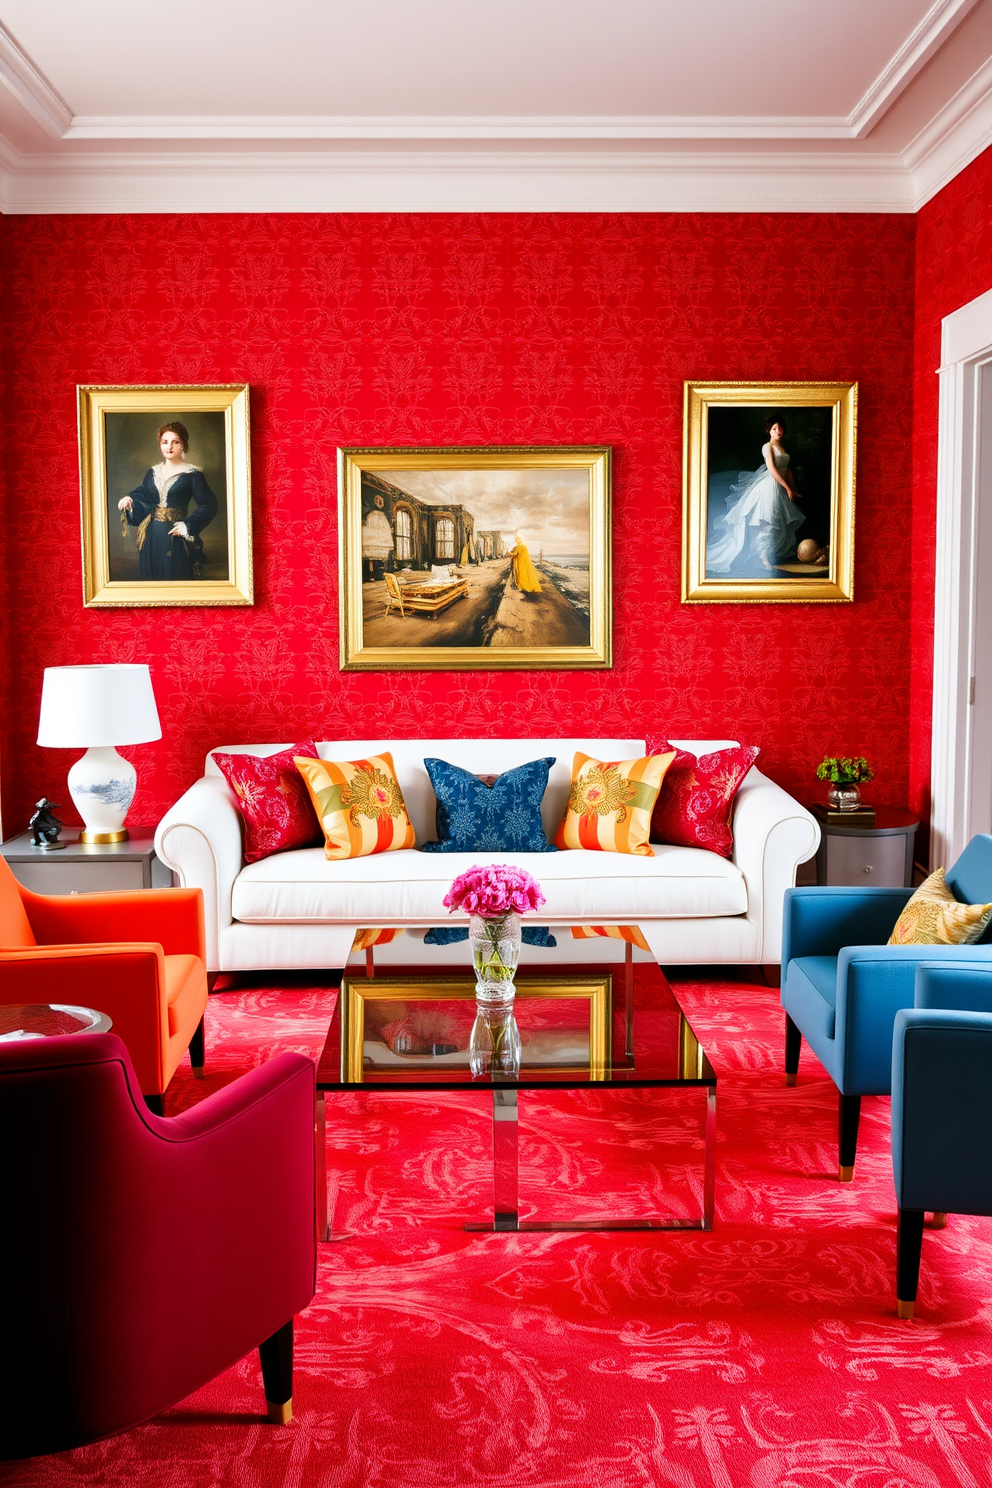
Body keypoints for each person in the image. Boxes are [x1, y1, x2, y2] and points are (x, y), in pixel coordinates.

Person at [118, 421, 218, 580]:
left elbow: (209, 505)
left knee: (175, 577)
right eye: (165, 442)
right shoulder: (152, 472)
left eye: (175, 442)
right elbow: (143, 495)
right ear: (160, 445)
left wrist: (187, 526)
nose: (169, 446)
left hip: (175, 534)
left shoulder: (193, 474)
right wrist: (130, 501)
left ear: (183, 445)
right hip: (151, 535)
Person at [707, 418, 805, 576]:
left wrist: (791, 488)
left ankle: (768, 553)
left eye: (780, 428)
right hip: (770, 486)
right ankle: (762, 556)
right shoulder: (767, 447)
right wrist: (787, 487)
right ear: (769, 431)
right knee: (767, 520)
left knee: (778, 520)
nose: (778, 431)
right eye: (774, 428)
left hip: (780, 486)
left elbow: (787, 470)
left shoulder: (782, 447)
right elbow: (772, 469)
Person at [510, 531, 542, 597]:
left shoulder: (519, 547)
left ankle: (523, 586)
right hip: (525, 562)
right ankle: (527, 586)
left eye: (517, 539)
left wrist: (509, 553)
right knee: (526, 574)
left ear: (520, 539)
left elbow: (515, 554)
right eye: (515, 539)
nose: (515, 540)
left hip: (520, 563)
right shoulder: (524, 546)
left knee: (521, 574)